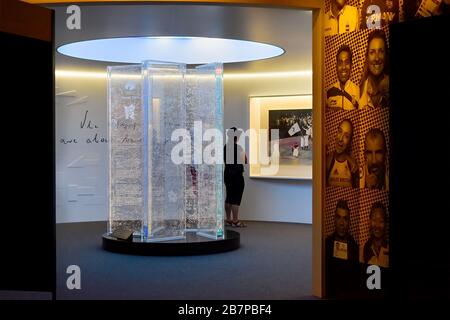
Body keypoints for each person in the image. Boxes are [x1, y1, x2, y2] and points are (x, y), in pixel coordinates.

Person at [325, 200, 359, 298]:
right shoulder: (326, 245)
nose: (341, 223)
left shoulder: (355, 248)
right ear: (334, 219)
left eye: (345, 219)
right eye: (338, 217)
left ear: (349, 222)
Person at [359, 29, 390, 109]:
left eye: (381, 51)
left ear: (386, 56)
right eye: (372, 52)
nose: (376, 58)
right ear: (367, 57)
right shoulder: (359, 90)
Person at [224, 127, 247, 228]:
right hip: (237, 175)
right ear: (236, 137)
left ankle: (228, 219)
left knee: (229, 197)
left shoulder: (225, 147)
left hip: (227, 174)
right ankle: (235, 220)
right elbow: (245, 160)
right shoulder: (238, 148)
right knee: (236, 199)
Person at [326, 119, 359, 188]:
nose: (340, 139)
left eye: (346, 136)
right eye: (340, 131)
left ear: (350, 141)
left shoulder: (352, 166)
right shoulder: (327, 160)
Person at [326, 45, 360, 110]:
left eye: (347, 63)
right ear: (336, 66)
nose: (343, 67)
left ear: (351, 66)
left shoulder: (358, 92)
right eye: (340, 63)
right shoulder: (328, 92)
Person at [361, 202, 389, 268]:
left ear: (385, 224)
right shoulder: (362, 250)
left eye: (381, 221)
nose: (377, 225)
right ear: (369, 222)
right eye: (374, 220)